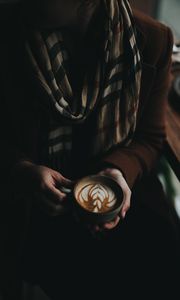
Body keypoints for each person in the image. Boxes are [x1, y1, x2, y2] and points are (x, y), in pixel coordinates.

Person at [0, 0, 179, 299]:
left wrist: (119, 171)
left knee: (162, 262)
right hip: (34, 205)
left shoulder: (152, 41)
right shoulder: (10, 26)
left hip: (118, 194)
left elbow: (149, 138)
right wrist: (22, 170)